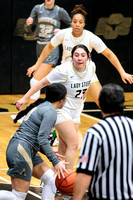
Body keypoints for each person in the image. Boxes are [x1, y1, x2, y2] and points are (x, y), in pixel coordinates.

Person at [27, 4, 133, 106]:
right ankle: (30, 114)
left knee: (103, 104)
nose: (77, 24)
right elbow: (49, 47)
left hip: (86, 74)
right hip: (67, 74)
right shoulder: (64, 34)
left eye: (80, 22)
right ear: (71, 23)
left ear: (84, 24)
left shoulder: (91, 37)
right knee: (53, 100)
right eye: (74, 21)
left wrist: (122, 72)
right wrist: (37, 65)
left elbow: (109, 54)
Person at [15, 44, 97, 170]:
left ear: (88, 57)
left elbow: (86, 83)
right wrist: (24, 98)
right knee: (73, 144)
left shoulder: (91, 66)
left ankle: (52, 180)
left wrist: (83, 95)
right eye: (76, 55)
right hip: (61, 109)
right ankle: (67, 179)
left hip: (76, 110)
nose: (80, 58)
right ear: (71, 57)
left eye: (83, 55)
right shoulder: (63, 70)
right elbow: (41, 82)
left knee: (63, 149)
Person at [0, 83, 68, 200]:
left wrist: (48, 152)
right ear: (62, 100)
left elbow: (36, 138)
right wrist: (56, 161)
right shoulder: (50, 112)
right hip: (21, 150)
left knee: (51, 180)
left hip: (24, 148)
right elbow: (42, 139)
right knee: (18, 196)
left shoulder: (43, 106)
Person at [73, 83, 133, 200]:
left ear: (100, 104)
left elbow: (85, 172)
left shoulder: (95, 133)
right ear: (123, 104)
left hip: (103, 196)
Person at [25, 0, 71, 104]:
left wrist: (62, 32)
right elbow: (29, 29)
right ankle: (64, 98)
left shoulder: (60, 11)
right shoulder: (37, 8)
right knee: (53, 79)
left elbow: (71, 26)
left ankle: (30, 110)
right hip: (39, 47)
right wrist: (27, 24)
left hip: (51, 48)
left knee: (35, 81)